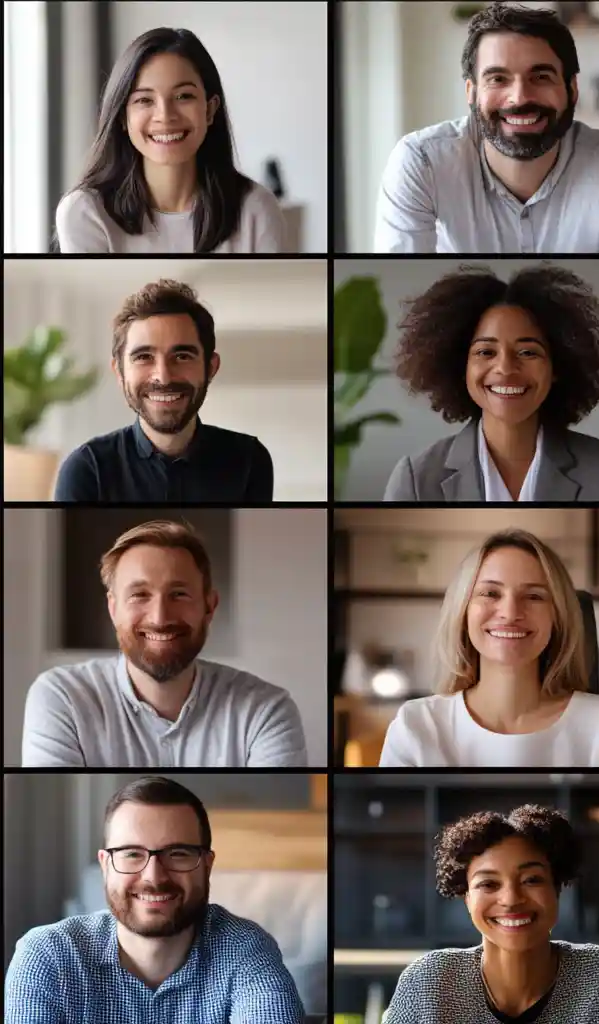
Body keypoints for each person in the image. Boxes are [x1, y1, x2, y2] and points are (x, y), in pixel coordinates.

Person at [4, 776, 305, 1022]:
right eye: (132, 854)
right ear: (106, 865)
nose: (154, 877)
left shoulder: (245, 950)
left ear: (208, 865)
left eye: (177, 854)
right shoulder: (48, 956)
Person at [374, 1, 599, 254]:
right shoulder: (421, 162)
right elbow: (405, 298)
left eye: (540, 77)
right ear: (471, 93)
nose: (520, 97)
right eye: (498, 79)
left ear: (572, 89)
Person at [21, 519, 307, 767]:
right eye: (139, 595)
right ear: (113, 608)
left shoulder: (266, 710)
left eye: (179, 594)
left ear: (210, 606)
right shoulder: (62, 698)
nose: (159, 617)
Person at [378, 529, 599, 768]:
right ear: (462, 612)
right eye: (490, 593)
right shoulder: (416, 725)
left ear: (558, 618)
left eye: (534, 596)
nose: (510, 612)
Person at [383, 264, 599, 502]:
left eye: (528, 352)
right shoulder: (415, 479)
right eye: (486, 352)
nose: (505, 368)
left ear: (557, 366)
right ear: (460, 366)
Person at [385, 804, 599, 1023]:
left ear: (557, 888)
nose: (511, 899)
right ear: (466, 897)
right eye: (488, 884)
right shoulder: (428, 982)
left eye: (532, 880)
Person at [55, 27, 286, 253]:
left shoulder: (256, 209)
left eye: (183, 96)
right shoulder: (86, 212)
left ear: (209, 110)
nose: (165, 115)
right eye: (145, 100)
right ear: (123, 117)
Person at [54, 278, 275, 503]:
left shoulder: (250, 460)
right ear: (119, 372)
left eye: (182, 356)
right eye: (144, 357)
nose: (163, 376)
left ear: (210, 367)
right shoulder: (88, 471)